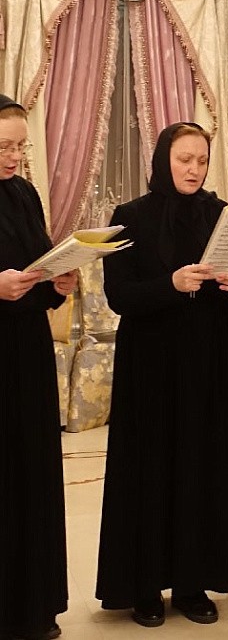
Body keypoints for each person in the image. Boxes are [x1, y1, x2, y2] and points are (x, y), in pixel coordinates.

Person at [96, 122, 228, 626]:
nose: (194, 169)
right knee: (151, 470)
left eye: (202, 160)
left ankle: (192, 584)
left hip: (209, 366)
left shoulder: (222, 215)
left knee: (200, 469)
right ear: (164, 159)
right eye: (184, 159)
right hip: (151, 369)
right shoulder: (130, 217)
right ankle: (144, 587)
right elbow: (120, 296)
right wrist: (171, 283)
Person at [0, 94, 78, 640]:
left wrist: (58, 283)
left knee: (30, 480)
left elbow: (38, 262)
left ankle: (31, 607)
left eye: (19, 148)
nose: (13, 158)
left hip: (25, 357)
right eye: (4, 147)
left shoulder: (24, 193)